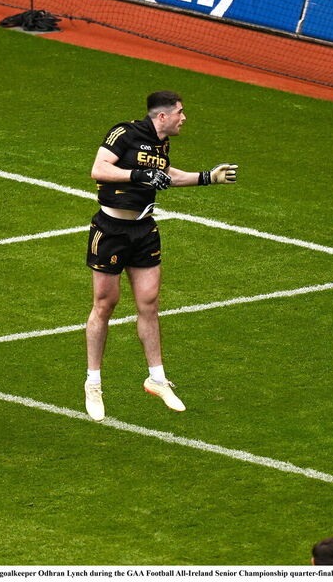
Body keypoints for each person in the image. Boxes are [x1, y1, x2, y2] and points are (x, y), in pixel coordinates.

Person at [83, 91, 239, 422]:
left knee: (150, 303)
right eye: (181, 112)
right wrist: (137, 175)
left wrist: (208, 178)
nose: (185, 118)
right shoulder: (124, 132)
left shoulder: (161, 145)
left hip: (144, 230)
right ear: (163, 116)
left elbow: (166, 176)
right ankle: (93, 383)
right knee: (104, 305)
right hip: (111, 230)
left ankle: (156, 378)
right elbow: (98, 169)